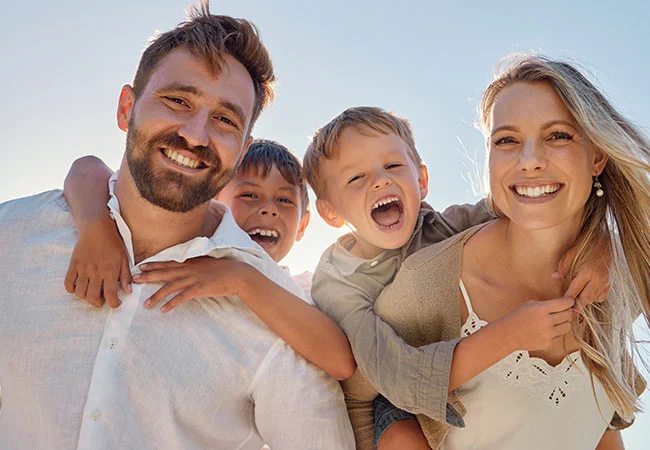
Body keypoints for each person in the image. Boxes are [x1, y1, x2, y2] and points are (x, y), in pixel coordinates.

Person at [0, 4, 354, 449]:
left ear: (242, 149)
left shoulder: (275, 315)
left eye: (225, 119)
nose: (196, 134)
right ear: (126, 107)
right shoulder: (13, 237)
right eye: (178, 100)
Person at [368, 54, 649, 449]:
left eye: (558, 136)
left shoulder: (621, 276)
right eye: (507, 140)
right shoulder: (430, 282)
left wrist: (608, 243)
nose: (530, 160)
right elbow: (357, 397)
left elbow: (600, 422)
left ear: (598, 156)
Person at [302, 106, 613, 449]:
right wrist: (509, 335)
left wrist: (599, 245)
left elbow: (535, 207)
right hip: (386, 394)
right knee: (402, 437)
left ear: (421, 181)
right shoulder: (338, 283)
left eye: (392, 166)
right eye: (355, 178)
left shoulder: (448, 226)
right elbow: (393, 374)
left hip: (449, 371)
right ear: (330, 212)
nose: (380, 180)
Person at [62, 139, 356, 379]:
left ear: (302, 226)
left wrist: (240, 278)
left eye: (284, 200)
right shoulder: (185, 250)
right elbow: (87, 167)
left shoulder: (298, 288)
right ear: (213, 202)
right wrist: (96, 228)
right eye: (250, 195)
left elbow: (340, 362)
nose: (269, 210)